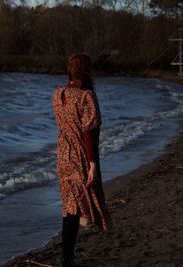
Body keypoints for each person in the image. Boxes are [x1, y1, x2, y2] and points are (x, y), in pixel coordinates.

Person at [52, 53, 112, 267]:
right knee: (78, 206)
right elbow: (89, 132)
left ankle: (67, 258)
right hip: (80, 155)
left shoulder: (58, 94)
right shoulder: (86, 95)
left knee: (70, 205)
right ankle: (67, 259)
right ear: (86, 70)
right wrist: (93, 164)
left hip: (62, 154)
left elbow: (64, 124)